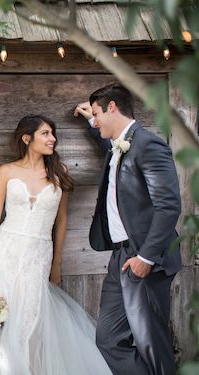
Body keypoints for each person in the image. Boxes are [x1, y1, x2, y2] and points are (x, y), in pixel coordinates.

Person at [0, 114, 112, 374]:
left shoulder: (60, 173)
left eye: (53, 133)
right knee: (6, 317)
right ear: (27, 138)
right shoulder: (7, 171)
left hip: (38, 255)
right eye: (46, 134)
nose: (53, 139)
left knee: (32, 320)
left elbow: (61, 222)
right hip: (6, 251)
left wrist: (56, 263)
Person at [74, 83, 181, 375]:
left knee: (151, 344)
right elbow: (111, 148)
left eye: (97, 113)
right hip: (120, 258)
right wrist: (88, 120)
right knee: (108, 340)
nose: (95, 120)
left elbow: (168, 206)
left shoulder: (149, 144)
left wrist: (146, 258)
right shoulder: (119, 145)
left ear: (112, 107)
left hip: (145, 257)